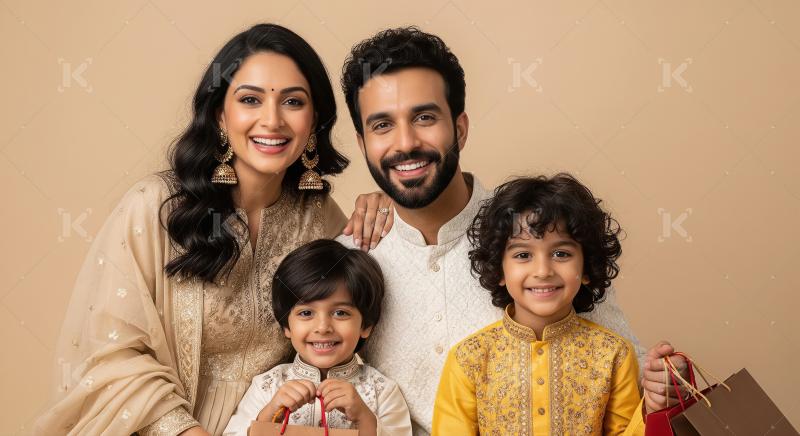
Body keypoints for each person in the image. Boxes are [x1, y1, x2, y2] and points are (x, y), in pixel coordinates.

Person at [35, 24, 392, 436]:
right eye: (250, 100)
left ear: (313, 121)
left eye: (293, 102)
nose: (272, 120)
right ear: (221, 115)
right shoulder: (157, 207)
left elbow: (355, 316)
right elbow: (111, 355)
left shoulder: (321, 219)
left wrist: (388, 204)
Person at [336, 27, 686, 434]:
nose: (406, 142)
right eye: (382, 126)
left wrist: (663, 383)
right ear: (362, 144)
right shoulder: (348, 257)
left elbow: (618, 365)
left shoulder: (538, 233)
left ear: (460, 128)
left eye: (425, 117)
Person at [432, 174, 644, 435]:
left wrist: (654, 406)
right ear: (499, 270)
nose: (543, 271)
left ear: (587, 266)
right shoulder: (469, 359)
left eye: (561, 254)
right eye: (523, 255)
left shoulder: (614, 355)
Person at [223, 239, 412, 436]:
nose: (323, 328)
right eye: (306, 313)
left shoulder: (382, 392)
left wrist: (365, 419)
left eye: (340, 313)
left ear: (366, 326)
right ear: (286, 326)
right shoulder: (267, 386)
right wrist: (269, 414)